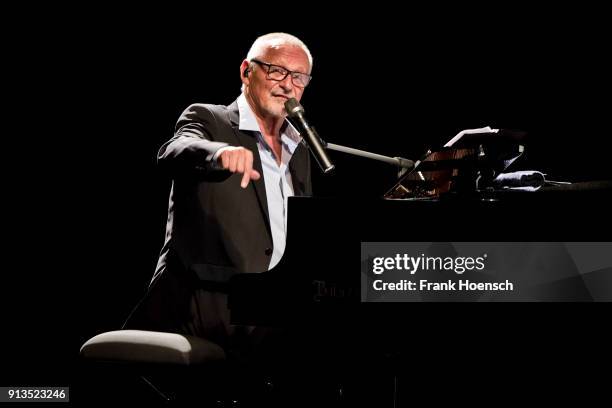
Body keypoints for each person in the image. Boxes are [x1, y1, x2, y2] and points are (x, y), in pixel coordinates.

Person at [123, 33, 313, 359]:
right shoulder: (210, 119)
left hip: (272, 310)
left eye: (298, 77)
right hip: (203, 306)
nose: (287, 85)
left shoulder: (300, 150)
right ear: (246, 71)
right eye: (276, 71)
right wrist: (218, 153)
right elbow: (173, 150)